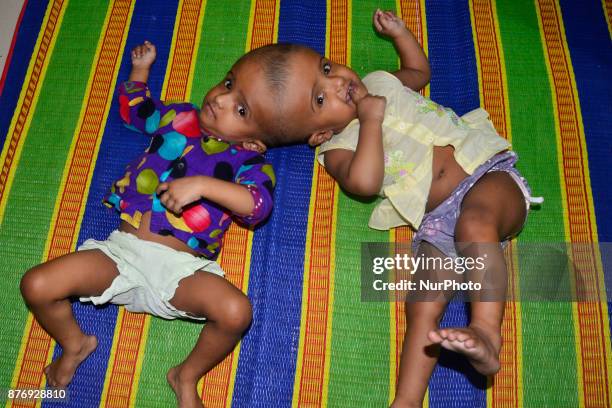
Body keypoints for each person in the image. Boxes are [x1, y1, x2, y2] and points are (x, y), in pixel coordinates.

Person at [252, 9, 541, 408]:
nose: (338, 82)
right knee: (420, 304)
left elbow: (419, 73)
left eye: (326, 66)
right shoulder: (335, 149)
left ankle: (487, 332)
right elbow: (365, 184)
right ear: (318, 133)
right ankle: (405, 400)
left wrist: (401, 35)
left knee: (476, 223)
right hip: (437, 223)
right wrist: (369, 123)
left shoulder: (377, 83)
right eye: (320, 98)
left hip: (487, 177)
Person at [20, 41, 280, 408]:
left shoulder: (249, 164)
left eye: (240, 109)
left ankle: (185, 375)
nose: (221, 100)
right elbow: (135, 112)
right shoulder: (180, 116)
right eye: (227, 84)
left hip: (180, 271)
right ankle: (75, 344)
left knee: (237, 312)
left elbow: (258, 206)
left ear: (254, 142)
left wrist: (203, 186)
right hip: (118, 255)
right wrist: (140, 71)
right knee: (36, 284)